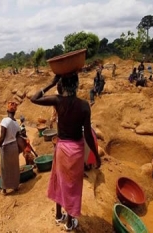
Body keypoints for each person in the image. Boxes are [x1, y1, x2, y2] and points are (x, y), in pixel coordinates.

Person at [30, 73, 101, 231]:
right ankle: (69, 222)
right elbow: (88, 134)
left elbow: (34, 98)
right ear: (77, 84)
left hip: (61, 148)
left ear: (62, 84)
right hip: (76, 150)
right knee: (72, 186)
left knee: (59, 179)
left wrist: (50, 83)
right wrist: (95, 155)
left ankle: (58, 215)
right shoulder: (83, 106)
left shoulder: (57, 101)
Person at [0, 101, 21, 195]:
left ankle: (4, 189)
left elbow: (2, 136)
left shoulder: (5, 121)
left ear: (7, 111)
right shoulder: (16, 123)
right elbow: (17, 136)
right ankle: (15, 186)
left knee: (4, 169)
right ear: (15, 112)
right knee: (14, 167)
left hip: (6, 147)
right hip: (14, 146)